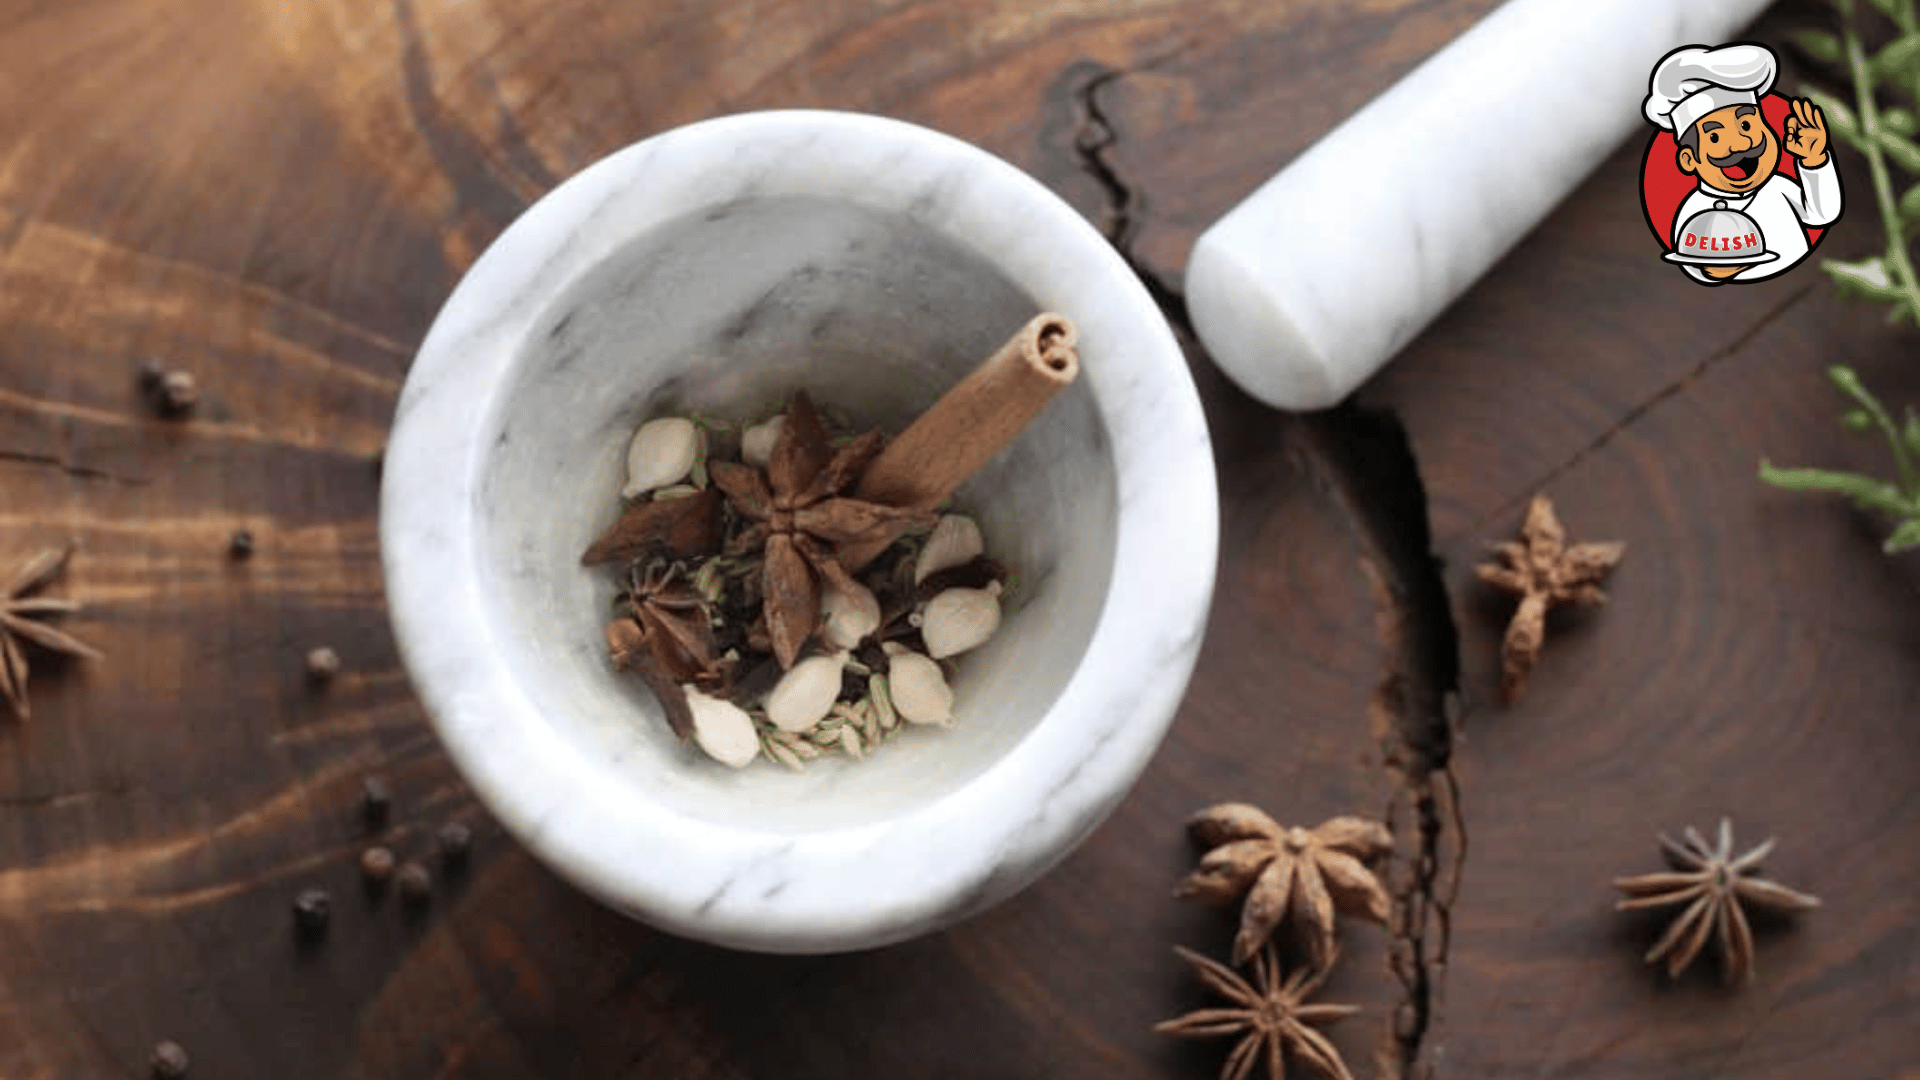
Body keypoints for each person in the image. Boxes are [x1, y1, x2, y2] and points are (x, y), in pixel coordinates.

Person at [1644, 43, 1842, 283]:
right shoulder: (1694, 213)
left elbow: (1821, 215)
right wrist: (1722, 267)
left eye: (1746, 125)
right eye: (1715, 137)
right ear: (1688, 159)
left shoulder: (1778, 186)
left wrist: (1814, 161)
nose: (1738, 145)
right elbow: (1694, 265)